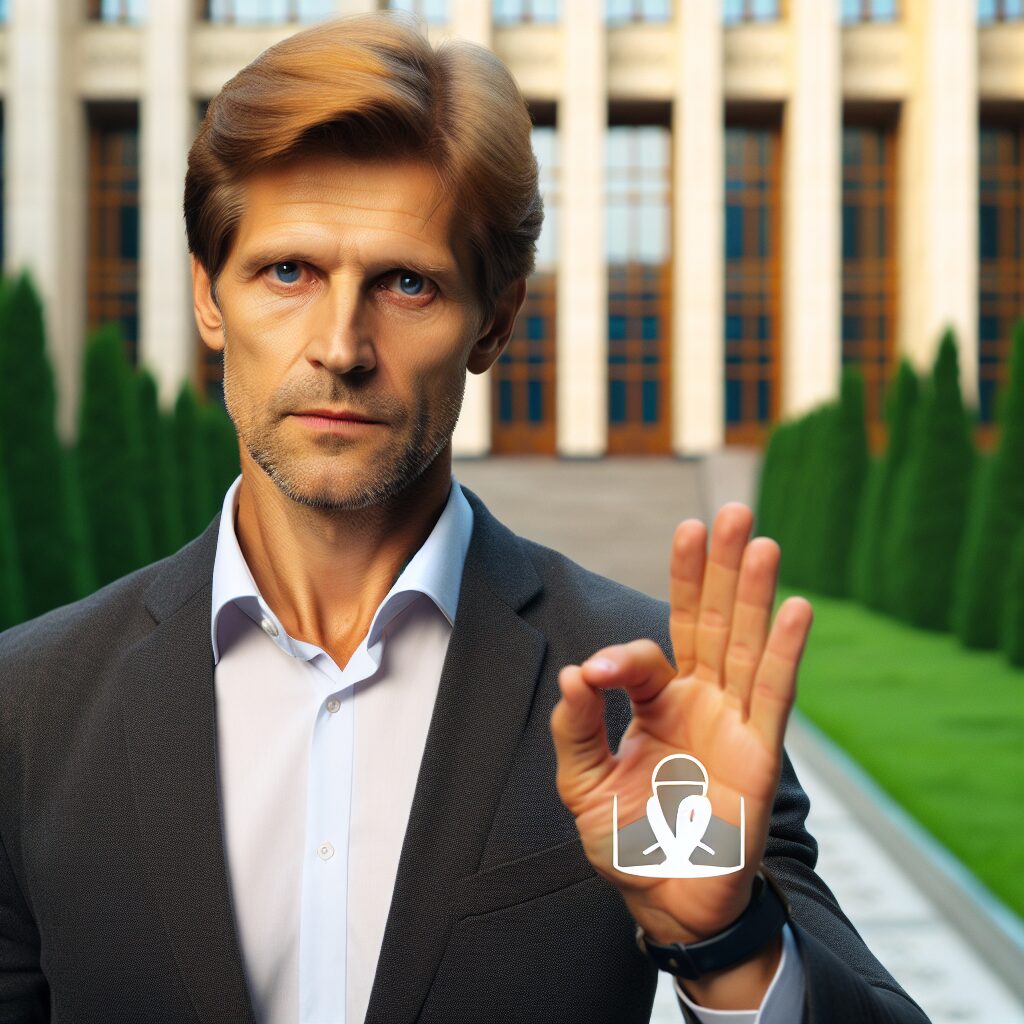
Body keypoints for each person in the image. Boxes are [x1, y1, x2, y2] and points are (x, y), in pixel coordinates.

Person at [0, 12, 931, 1024]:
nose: (341, 346)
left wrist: (720, 938)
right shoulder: (29, 707)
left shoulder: (645, 686)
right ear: (208, 297)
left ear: (493, 319)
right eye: (288, 273)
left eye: (407, 284)